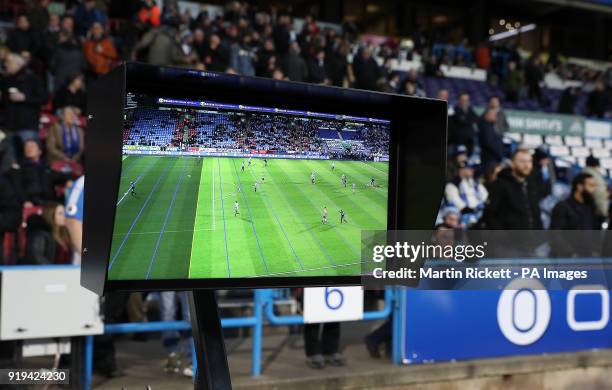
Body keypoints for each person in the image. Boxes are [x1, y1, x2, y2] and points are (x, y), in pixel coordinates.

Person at [482, 148, 543, 230]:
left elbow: (535, 213)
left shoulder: (531, 184)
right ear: (513, 164)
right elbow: (490, 215)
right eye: (522, 161)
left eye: (529, 161)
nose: (526, 165)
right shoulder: (500, 185)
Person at [550, 173, 601, 257]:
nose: (594, 189)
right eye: (591, 186)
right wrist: (570, 253)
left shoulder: (591, 206)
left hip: (588, 257)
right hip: (569, 260)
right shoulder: (563, 206)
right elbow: (555, 234)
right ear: (579, 187)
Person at [1, 53, 47, 143]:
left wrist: (25, 98)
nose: (5, 64)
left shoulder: (33, 78)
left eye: (8, 62)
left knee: (28, 155)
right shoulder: (6, 80)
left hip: (27, 126)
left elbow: (44, 98)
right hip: (8, 126)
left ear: (18, 64)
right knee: (9, 156)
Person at [444, 161, 488, 227]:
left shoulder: (474, 183)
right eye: (469, 168)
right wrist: (471, 209)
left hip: (480, 215)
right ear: (461, 170)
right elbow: (456, 203)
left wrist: (482, 205)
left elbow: (485, 195)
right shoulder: (452, 185)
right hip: (464, 218)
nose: (472, 170)